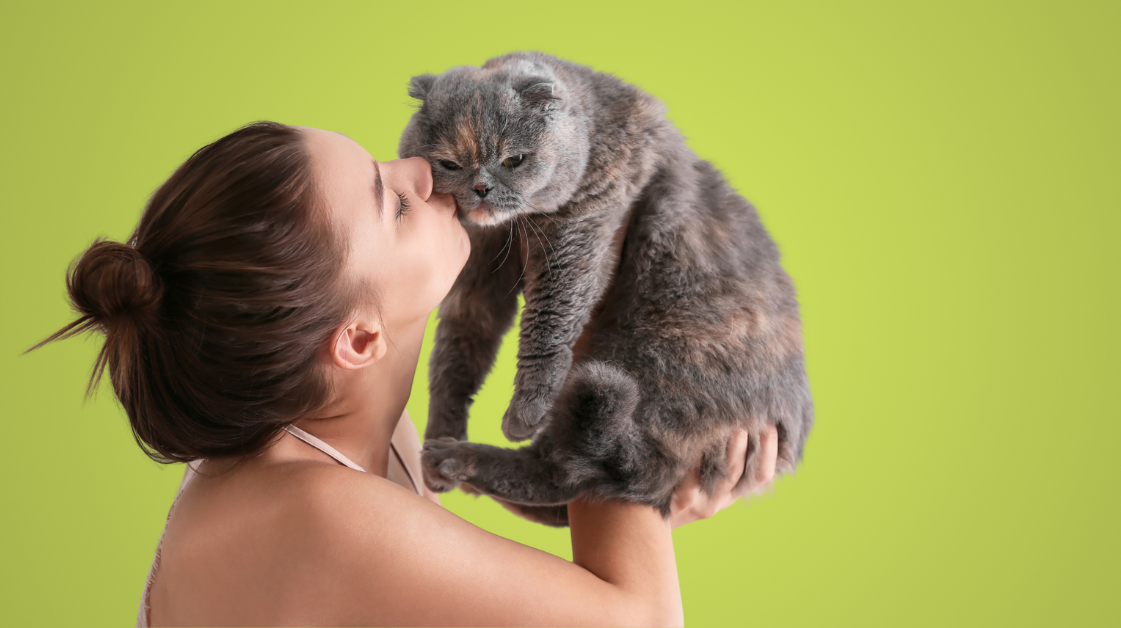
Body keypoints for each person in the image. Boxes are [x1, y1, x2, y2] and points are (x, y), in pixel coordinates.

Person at [33, 122, 779, 626]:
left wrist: (648, 501)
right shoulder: (319, 511)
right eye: (390, 204)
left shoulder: (336, 444)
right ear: (357, 338)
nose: (422, 172)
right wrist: (597, 344)